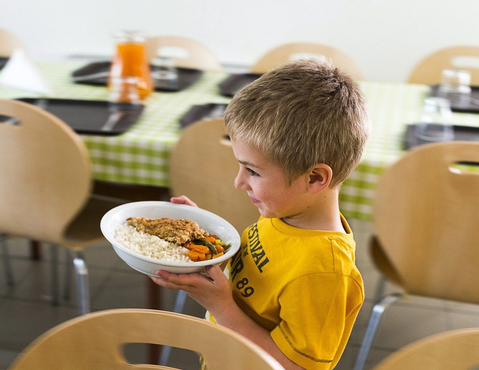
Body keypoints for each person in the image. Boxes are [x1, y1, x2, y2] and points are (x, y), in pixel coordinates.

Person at [151, 58, 370, 370]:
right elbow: (258, 277)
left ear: (314, 179)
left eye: (252, 171)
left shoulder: (324, 272)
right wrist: (206, 241)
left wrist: (220, 306)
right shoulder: (285, 213)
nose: (239, 182)